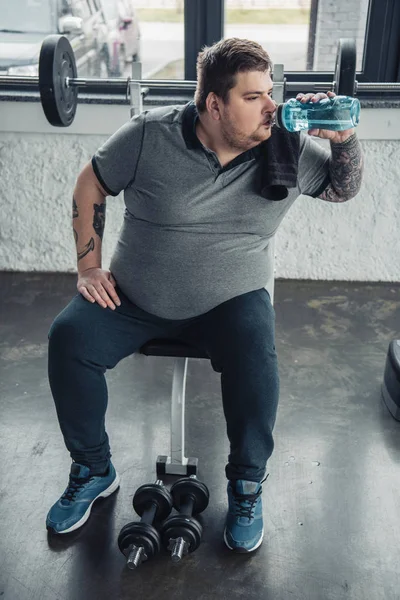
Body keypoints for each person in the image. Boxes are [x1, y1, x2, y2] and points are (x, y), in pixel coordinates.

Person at [46, 38, 363, 552]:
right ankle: (93, 469)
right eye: (254, 97)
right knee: (70, 339)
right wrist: (87, 269)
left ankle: (245, 483)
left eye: (271, 93)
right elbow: (90, 186)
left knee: (256, 351)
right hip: (134, 297)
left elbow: (342, 188)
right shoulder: (149, 136)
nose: (271, 107)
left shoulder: (285, 142)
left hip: (229, 299)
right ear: (215, 104)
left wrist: (344, 137)